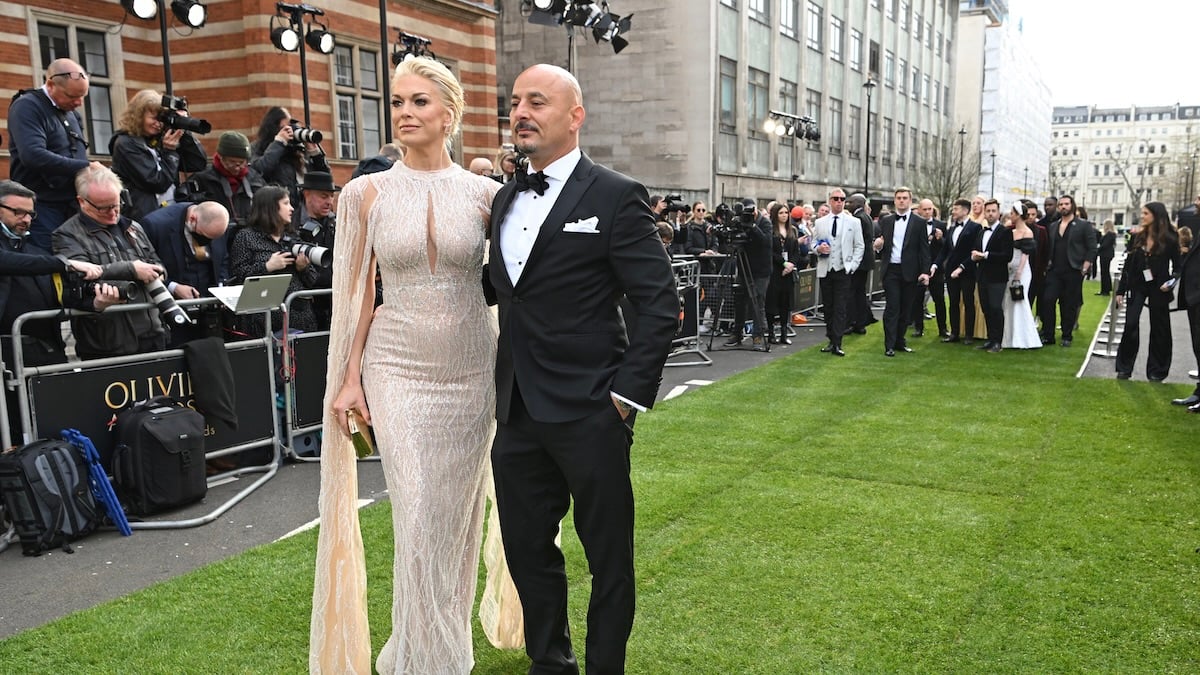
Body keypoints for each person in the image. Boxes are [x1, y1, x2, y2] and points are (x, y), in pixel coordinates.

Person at [310, 57, 508, 674]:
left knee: (454, 519)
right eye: (397, 102)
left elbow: (513, 287)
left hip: (473, 366)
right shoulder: (363, 193)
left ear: (448, 113)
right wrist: (347, 381)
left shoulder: (486, 196)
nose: (404, 114)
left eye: (419, 102)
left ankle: (438, 650)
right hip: (395, 366)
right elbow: (356, 295)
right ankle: (423, 659)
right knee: (416, 511)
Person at [488, 63, 677, 675]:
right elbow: (503, 292)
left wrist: (626, 396)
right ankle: (551, 662)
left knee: (608, 558)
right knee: (523, 548)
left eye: (536, 102)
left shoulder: (615, 195)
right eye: (516, 101)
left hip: (592, 408)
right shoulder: (504, 198)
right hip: (516, 412)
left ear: (575, 116)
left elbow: (660, 303)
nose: (521, 112)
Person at [52, 166, 171, 359]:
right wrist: (131, 269)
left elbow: (158, 265)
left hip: (154, 334)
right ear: (82, 202)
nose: (113, 212)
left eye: (117, 204)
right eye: (103, 207)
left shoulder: (134, 227)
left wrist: (158, 272)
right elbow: (78, 281)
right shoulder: (66, 235)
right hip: (108, 342)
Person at [7, 58, 105, 250]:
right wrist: (85, 167)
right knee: (51, 259)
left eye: (82, 96)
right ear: (51, 85)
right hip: (41, 205)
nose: (78, 103)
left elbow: (77, 152)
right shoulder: (27, 106)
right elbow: (33, 155)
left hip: (72, 203)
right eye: (71, 96)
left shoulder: (71, 112)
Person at [227, 185, 318, 337]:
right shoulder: (246, 237)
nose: (292, 209)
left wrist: (303, 268)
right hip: (263, 323)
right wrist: (267, 266)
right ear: (270, 207)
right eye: (286, 203)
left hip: (300, 317)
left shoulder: (293, 239)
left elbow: (313, 280)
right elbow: (238, 277)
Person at [141, 201, 231, 346]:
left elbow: (223, 259)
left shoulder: (219, 223)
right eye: (203, 236)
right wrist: (173, 287)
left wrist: (221, 287)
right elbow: (146, 268)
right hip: (172, 312)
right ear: (193, 219)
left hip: (209, 312)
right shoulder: (155, 225)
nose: (206, 242)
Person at [109, 89, 207, 222]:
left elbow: (197, 163)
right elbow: (157, 182)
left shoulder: (160, 138)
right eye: (154, 118)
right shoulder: (125, 144)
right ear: (138, 116)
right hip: (144, 218)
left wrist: (182, 129)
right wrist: (170, 152)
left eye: (162, 119)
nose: (158, 123)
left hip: (169, 213)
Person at [1115, 202, 1179, 381]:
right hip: (1137, 285)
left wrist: (1171, 283)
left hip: (1159, 287)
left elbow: (1178, 268)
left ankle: (1157, 370)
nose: (1142, 216)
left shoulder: (1170, 238)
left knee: (1160, 328)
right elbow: (1128, 266)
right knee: (1131, 324)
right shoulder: (1138, 237)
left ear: (1156, 215)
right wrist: (1120, 290)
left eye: (1145, 213)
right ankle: (1125, 367)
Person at [873, 187, 930, 357]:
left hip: (910, 271)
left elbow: (924, 250)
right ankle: (889, 345)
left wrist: (925, 272)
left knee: (906, 309)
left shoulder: (919, 222)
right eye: (898, 198)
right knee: (892, 307)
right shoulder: (887, 221)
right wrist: (878, 247)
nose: (902, 201)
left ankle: (900, 341)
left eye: (905, 198)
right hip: (891, 269)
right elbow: (883, 245)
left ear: (910, 200)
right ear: (895, 200)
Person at [812, 187, 864, 356]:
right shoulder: (820, 222)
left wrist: (853, 265)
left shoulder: (853, 222)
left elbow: (859, 246)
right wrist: (818, 248)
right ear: (830, 201)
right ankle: (830, 338)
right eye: (836, 199)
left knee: (840, 306)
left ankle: (837, 342)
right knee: (828, 306)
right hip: (826, 269)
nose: (839, 202)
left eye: (842, 199)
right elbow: (813, 244)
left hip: (843, 269)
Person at [1039, 194, 1097, 348]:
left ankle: (1066, 335)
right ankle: (1048, 334)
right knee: (1048, 300)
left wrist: (1085, 266)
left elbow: (1092, 247)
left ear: (1072, 206)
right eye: (1061, 204)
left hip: (1073, 270)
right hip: (1054, 271)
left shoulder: (1083, 225)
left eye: (1066, 204)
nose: (1063, 207)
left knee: (1068, 304)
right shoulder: (1053, 226)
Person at [178, 131, 265, 229]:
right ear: (220, 157)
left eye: (241, 163)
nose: (237, 168)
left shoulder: (255, 179)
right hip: (215, 235)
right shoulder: (202, 179)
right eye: (232, 162)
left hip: (248, 235)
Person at [250, 106, 329, 207]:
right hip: (277, 210)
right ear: (274, 128)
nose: (290, 131)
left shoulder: (298, 151)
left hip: (302, 212)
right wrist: (279, 143)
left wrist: (315, 154)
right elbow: (259, 170)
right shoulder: (258, 148)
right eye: (285, 128)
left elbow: (325, 179)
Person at [722, 198, 772, 352]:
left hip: (761, 270)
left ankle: (757, 335)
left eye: (751, 210)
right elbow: (730, 239)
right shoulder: (738, 221)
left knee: (757, 301)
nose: (749, 214)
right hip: (743, 267)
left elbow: (765, 242)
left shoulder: (765, 223)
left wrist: (752, 226)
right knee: (739, 300)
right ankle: (737, 333)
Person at [292, 171, 339, 329]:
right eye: (323, 196)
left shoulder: (337, 223)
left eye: (331, 196)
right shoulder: (291, 224)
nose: (329, 202)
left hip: (335, 300)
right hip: (305, 304)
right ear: (307, 194)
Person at [933, 198, 979, 344]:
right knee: (953, 302)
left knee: (968, 301)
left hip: (968, 271)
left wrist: (962, 268)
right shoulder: (952, 228)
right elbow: (945, 250)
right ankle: (954, 333)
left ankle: (969, 335)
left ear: (965, 210)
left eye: (956, 209)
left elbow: (975, 251)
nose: (953, 211)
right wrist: (935, 265)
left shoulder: (975, 227)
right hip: (950, 271)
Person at [970, 199, 1013, 353]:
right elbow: (975, 249)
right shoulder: (982, 231)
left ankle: (997, 342)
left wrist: (985, 255)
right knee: (986, 308)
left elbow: (1007, 255)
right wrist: (975, 256)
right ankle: (990, 339)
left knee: (996, 308)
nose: (990, 213)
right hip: (982, 276)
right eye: (987, 211)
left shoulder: (1005, 231)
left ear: (998, 213)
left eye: (993, 211)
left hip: (997, 277)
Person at [1002, 203, 1042, 350]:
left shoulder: (1027, 232)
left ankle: (1024, 337)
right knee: (1008, 301)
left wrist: (1019, 271)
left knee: (1020, 300)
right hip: (1010, 267)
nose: (1010, 215)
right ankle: (1009, 336)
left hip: (1022, 270)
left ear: (1018, 214)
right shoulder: (1011, 232)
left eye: (1012, 213)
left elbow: (1026, 254)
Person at [765, 202, 801, 345]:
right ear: (775, 215)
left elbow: (795, 252)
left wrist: (791, 264)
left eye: (786, 213)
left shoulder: (792, 230)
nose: (784, 215)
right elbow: (770, 252)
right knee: (772, 303)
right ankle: (771, 332)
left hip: (788, 273)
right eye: (781, 213)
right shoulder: (771, 231)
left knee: (785, 304)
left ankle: (784, 333)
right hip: (775, 272)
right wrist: (783, 263)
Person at [913, 198, 946, 338]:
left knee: (939, 300)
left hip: (936, 269)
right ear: (919, 210)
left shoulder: (941, 225)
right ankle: (918, 328)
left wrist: (941, 238)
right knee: (917, 300)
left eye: (929, 209)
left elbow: (946, 248)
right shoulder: (914, 225)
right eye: (924, 209)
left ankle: (943, 329)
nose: (927, 212)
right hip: (919, 268)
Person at [845, 193, 876, 334]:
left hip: (860, 261)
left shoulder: (858, 218)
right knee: (859, 292)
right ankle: (860, 323)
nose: (847, 204)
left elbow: (857, 240)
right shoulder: (866, 216)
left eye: (849, 202)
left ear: (857, 203)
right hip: (866, 260)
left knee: (854, 292)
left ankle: (854, 322)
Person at [1096, 219, 1117, 296]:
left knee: (1104, 272)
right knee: (1105, 272)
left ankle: (1105, 290)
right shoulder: (1110, 234)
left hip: (1105, 255)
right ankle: (1106, 289)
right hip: (1107, 255)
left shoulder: (1109, 234)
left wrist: (1097, 249)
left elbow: (1104, 245)